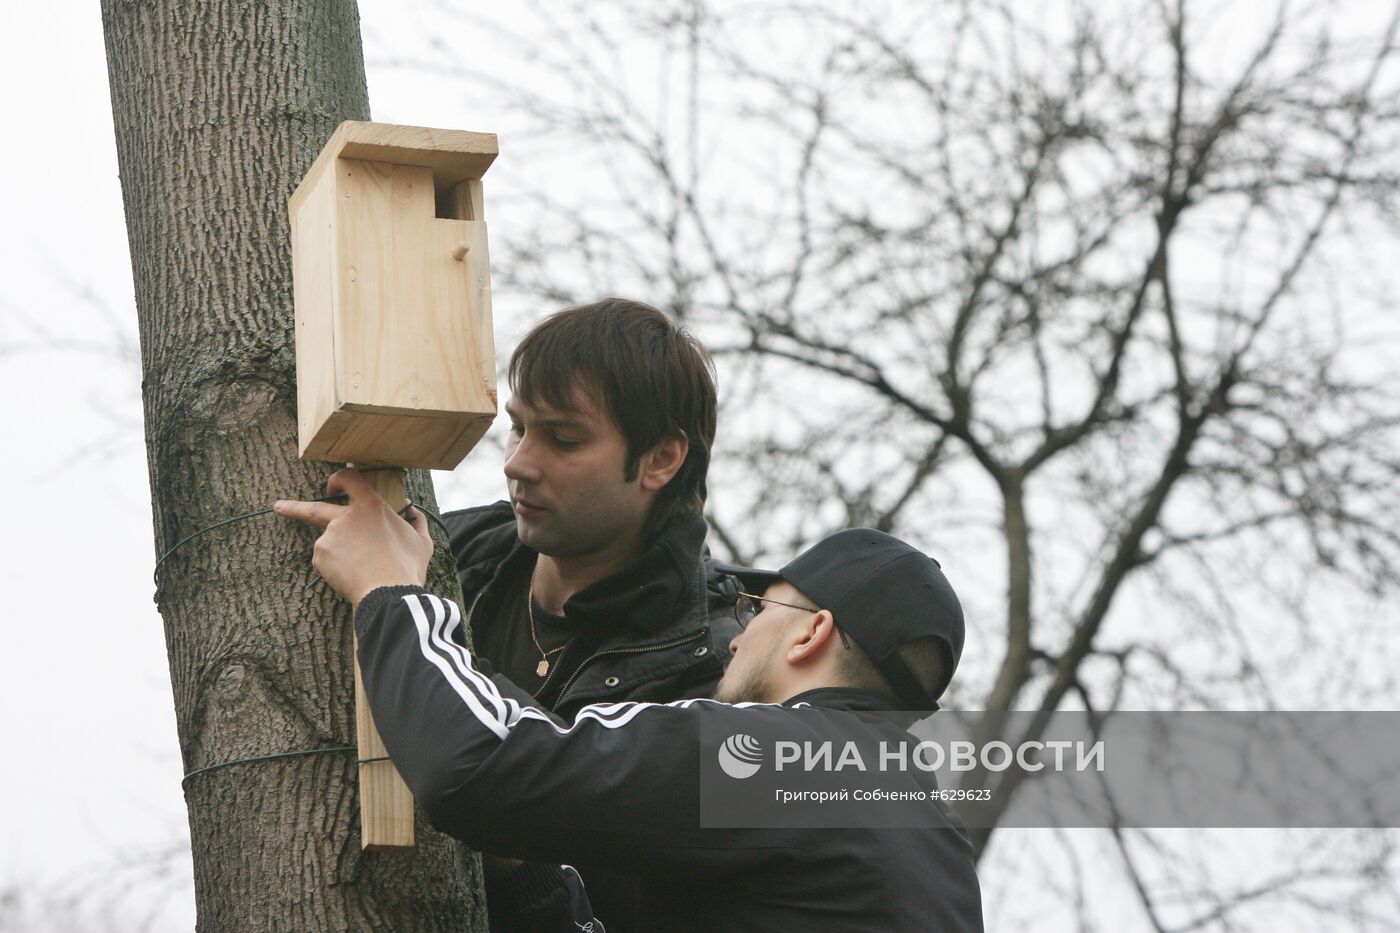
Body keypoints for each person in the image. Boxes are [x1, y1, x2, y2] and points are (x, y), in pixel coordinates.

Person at [275, 469, 984, 932]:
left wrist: (390, 592)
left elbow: (480, 765)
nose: (737, 634)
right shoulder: (936, 846)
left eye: (761, 606)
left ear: (812, 635)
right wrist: (528, 881)